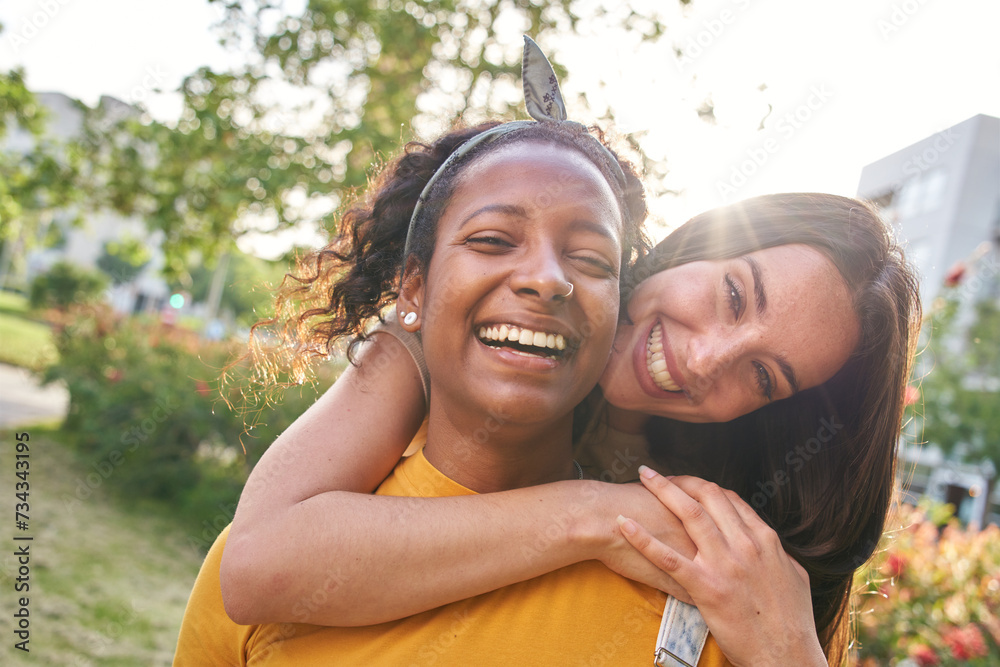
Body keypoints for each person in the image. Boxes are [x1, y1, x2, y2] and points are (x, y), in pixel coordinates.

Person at [187, 39, 920, 666]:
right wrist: (597, 515)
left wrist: (790, 649)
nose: (705, 359)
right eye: (732, 295)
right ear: (693, 246)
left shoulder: (688, 577)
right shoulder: (429, 344)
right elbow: (259, 566)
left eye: (762, 375)